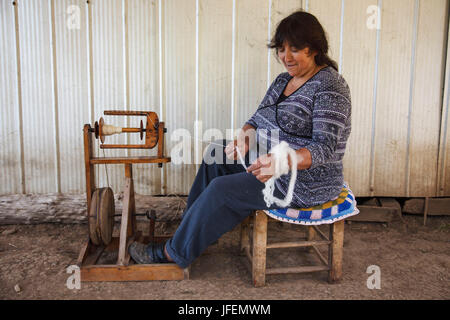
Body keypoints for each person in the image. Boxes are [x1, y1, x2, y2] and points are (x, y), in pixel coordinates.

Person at [128, 10, 352, 268]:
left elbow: (325, 148)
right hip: (267, 160)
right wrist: (245, 136)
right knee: (217, 152)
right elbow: (256, 119)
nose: (285, 57)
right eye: (281, 49)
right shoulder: (283, 81)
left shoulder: (330, 87)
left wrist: (282, 161)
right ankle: (191, 234)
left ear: (313, 48)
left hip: (305, 182)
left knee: (222, 189)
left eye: (294, 50)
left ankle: (173, 254)